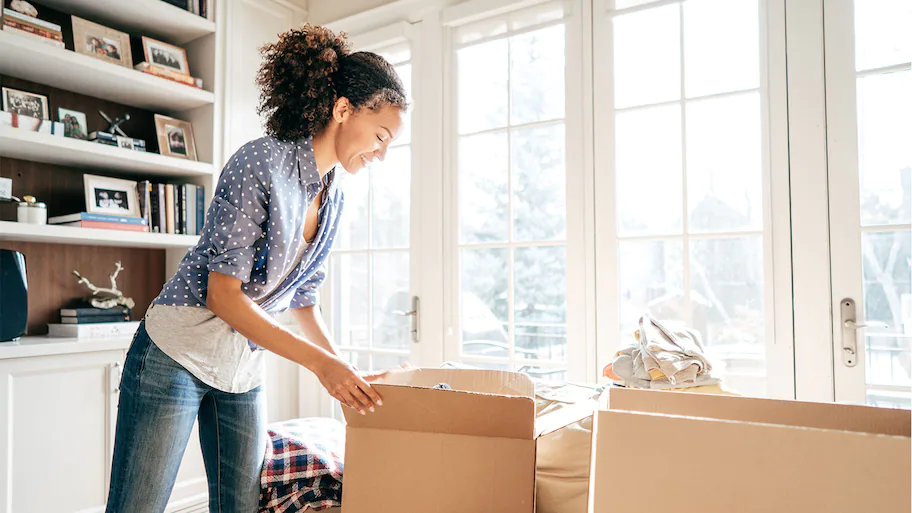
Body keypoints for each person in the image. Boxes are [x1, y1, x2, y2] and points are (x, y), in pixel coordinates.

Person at [105, 24, 408, 513]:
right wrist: (320, 365)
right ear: (343, 109)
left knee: (242, 506)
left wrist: (344, 370)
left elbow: (304, 298)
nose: (382, 152)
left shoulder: (334, 197)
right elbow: (222, 296)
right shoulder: (261, 162)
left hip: (243, 368)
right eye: (380, 135)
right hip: (175, 354)